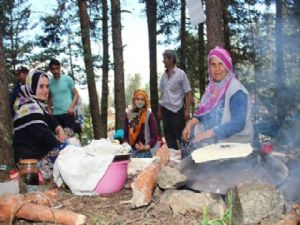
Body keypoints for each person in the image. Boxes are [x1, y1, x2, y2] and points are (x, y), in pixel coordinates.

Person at [181, 46, 254, 158]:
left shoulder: (236, 89)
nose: (217, 68)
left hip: (237, 140)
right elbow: (202, 113)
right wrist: (189, 124)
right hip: (218, 136)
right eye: (213, 64)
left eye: (221, 64)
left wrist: (209, 133)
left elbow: (238, 123)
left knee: (196, 147)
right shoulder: (213, 89)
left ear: (227, 66)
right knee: (188, 137)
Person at [13, 71, 66, 162]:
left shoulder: (34, 103)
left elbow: (48, 118)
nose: (46, 90)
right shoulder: (28, 107)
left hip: (36, 154)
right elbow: (45, 136)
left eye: (47, 86)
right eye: (41, 86)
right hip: (30, 161)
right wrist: (63, 145)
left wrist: (59, 128)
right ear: (32, 86)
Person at [158, 49, 193, 150]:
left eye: (164, 58)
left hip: (177, 112)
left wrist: (187, 111)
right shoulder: (163, 76)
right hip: (166, 113)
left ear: (171, 59)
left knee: (182, 139)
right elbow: (162, 94)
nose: (163, 61)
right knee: (169, 140)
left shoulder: (181, 74)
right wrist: (160, 110)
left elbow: (188, 92)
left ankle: (186, 161)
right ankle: (174, 163)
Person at [124, 90, 158, 158]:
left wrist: (146, 147)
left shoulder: (149, 115)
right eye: (138, 99)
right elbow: (127, 134)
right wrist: (133, 145)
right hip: (134, 149)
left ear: (145, 102)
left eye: (142, 99)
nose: (140, 101)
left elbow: (154, 137)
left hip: (147, 149)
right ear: (134, 100)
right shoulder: (131, 114)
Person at [48, 59, 79, 132]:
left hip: (68, 114)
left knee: (70, 138)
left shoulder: (67, 79)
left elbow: (76, 94)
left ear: (60, 68)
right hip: (56, 116)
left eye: (57, 68)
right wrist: (49, 110)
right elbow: (49, 97)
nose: (55, 71)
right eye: (53, 69)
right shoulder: (49, 82)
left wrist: (71, 107)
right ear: (50, 70)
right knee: (59, 139)